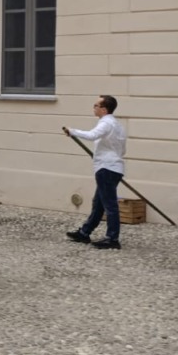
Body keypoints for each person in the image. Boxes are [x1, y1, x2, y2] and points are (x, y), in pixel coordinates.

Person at [64, 94, 127, 250]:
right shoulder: (118, 125)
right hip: (114, 167)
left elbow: (92, 135)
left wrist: (73, 131)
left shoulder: (106, 124)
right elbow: (122, 150)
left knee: (110, 205)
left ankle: (112, 239)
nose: (94, 107)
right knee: (98, 204)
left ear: (104, 109)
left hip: (106, 168)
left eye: (96, 105)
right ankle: (84, 233)